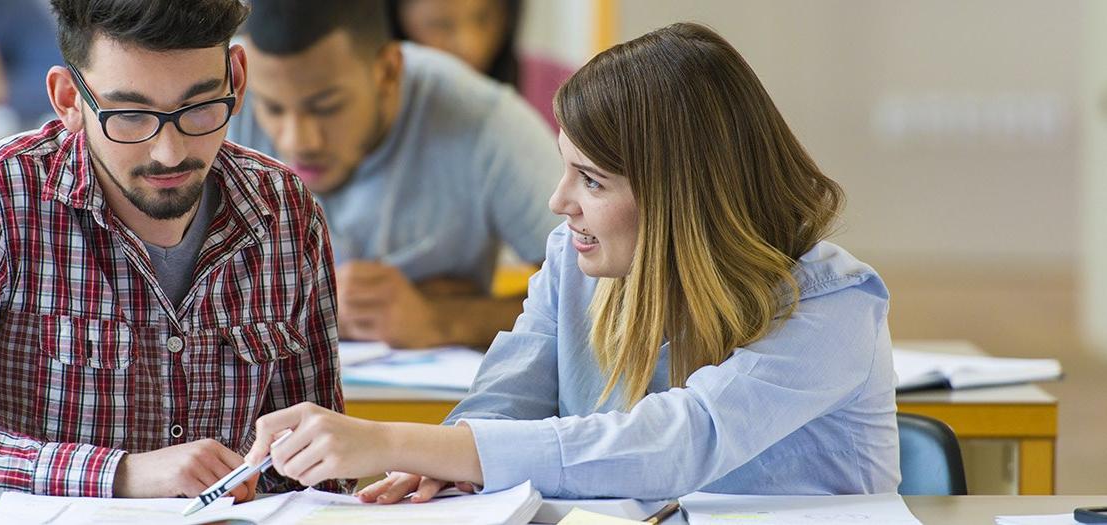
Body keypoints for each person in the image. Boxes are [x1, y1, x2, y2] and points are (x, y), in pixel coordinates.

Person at [242, 22, 900, 501]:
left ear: (680, 195)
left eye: (590, 180)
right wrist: (448, 460)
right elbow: (507, 395)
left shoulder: (834, 303)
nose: (559, 202)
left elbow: (679, 443)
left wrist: (393, 441)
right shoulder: (575, 259)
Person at [0, 0, 345, 503]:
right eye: (130, 115)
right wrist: (117, 474)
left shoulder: (285, 213)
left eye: (200, 108)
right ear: (68, 100)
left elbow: (317, 473)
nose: (169, 151)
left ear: (237, 80)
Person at [228, 0, 562, 349]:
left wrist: (443, 319)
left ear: (387, 71)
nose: (297, 140)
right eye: (272, 107)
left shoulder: (487, 122)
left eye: (326, 107)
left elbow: (599, 292)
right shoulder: (224, 99)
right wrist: (303, 308)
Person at [387, 0, 575, 130]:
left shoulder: (566, 88)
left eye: (483, 18)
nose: (470, 45)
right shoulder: (377, 112)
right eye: (441, 25)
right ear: (397, 24)